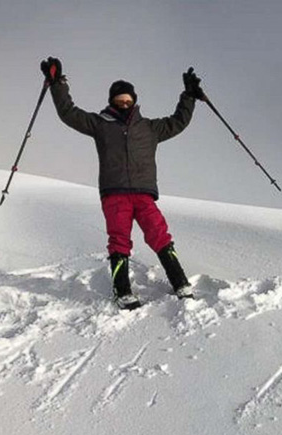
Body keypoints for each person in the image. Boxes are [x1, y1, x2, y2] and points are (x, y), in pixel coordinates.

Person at [40, 56, 204, 310]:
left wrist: (189, 96)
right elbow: (68, 113)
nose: (124, 104)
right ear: (112, 102)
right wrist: (57, 83)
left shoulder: (150, 128)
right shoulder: (100, 124)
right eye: (120, 100)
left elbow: (178, 121)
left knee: (159, 234)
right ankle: (123, 291)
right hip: (114, 193)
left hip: (144, 193)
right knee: (119, 240)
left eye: (128, 100)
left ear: (135, 101)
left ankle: (180, 282)